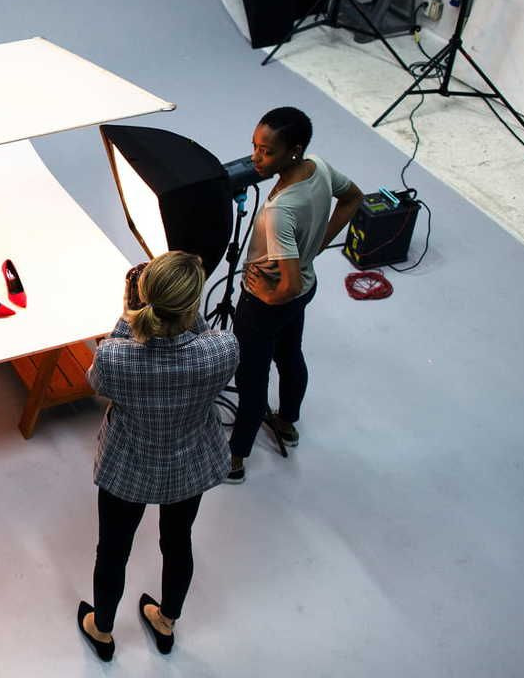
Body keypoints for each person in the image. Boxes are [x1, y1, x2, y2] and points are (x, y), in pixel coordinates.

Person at [78, 251, 239, 660]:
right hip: (188, 465)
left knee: (113, 551)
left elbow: (96, 381)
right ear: (193, 304)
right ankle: (166, 622)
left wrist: (128, 314)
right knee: (178, 542)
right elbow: (196, 333)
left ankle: (103, 629)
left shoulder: (116, 356)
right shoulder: (221, 348)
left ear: (143, 299)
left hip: (128, 467)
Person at [226, 106, 363, 483]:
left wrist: (264, 299)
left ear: (294, 150)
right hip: (306, 287)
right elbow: (353, 197)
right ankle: (287, 422)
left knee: (251, 379)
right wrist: (316, 246)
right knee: (289, 355)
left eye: (266, 152)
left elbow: (286, 286)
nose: (255, 157)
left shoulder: (280, 211)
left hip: (268, 301)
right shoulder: (317, 167)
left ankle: (235, 460)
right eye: (254, 146)